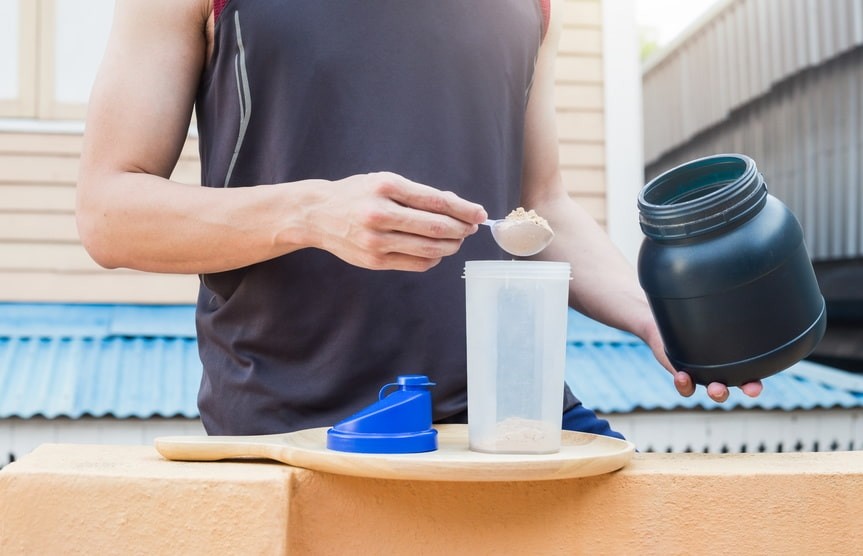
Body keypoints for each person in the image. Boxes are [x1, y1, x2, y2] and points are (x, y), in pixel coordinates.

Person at [77, 0, 762, 438]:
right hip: (296, 426)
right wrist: (311, 213)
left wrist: (653, 313)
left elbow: (540, 204)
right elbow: (109, 211)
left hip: (511, 419)